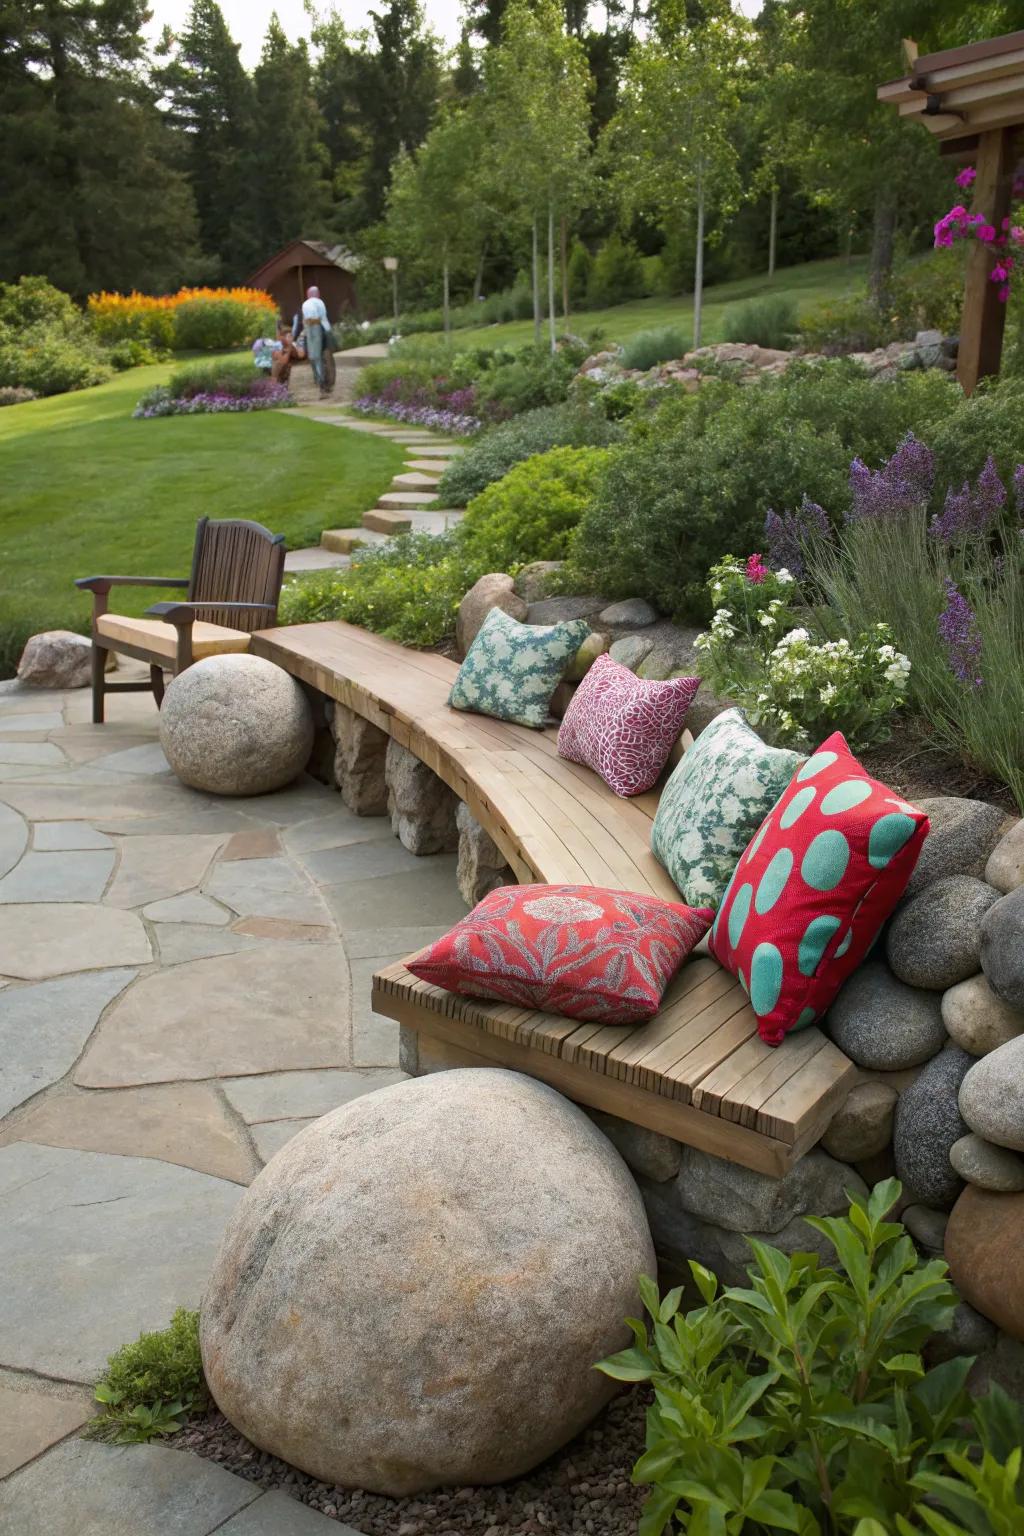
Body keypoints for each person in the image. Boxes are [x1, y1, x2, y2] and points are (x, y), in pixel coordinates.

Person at [301, 285, 331, 395]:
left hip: (311, 329)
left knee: (313, 356)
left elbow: (307, 320)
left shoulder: (306, 304)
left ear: (308, 295)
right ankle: (322, 380)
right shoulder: (320, 302)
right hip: (322, 329)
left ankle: (319, 380)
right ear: (317, 294)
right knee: (320, 356)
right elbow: (323, 318)